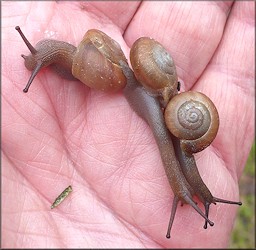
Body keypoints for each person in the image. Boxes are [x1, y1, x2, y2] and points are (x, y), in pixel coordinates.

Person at [2, 1, 254, 248]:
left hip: (149, 89)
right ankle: (184, 190)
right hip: (141, 85)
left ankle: (186, 191)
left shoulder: (138, 85)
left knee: (162, 131)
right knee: (160, 130)